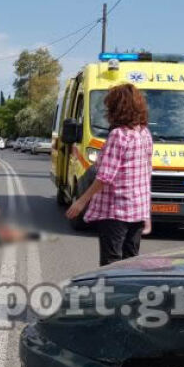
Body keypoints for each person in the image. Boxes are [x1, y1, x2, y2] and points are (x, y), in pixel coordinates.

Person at [66, 83, 153, 266]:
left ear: (117, 108)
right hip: (137, 209)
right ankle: (130, 293)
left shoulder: (118, 135)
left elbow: (105, 177)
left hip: (116, 211)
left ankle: (110, 294)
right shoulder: (144, 134)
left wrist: (81, 201)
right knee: (131, 260)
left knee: (111, 262)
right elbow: (146, 173)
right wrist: (147, 214)